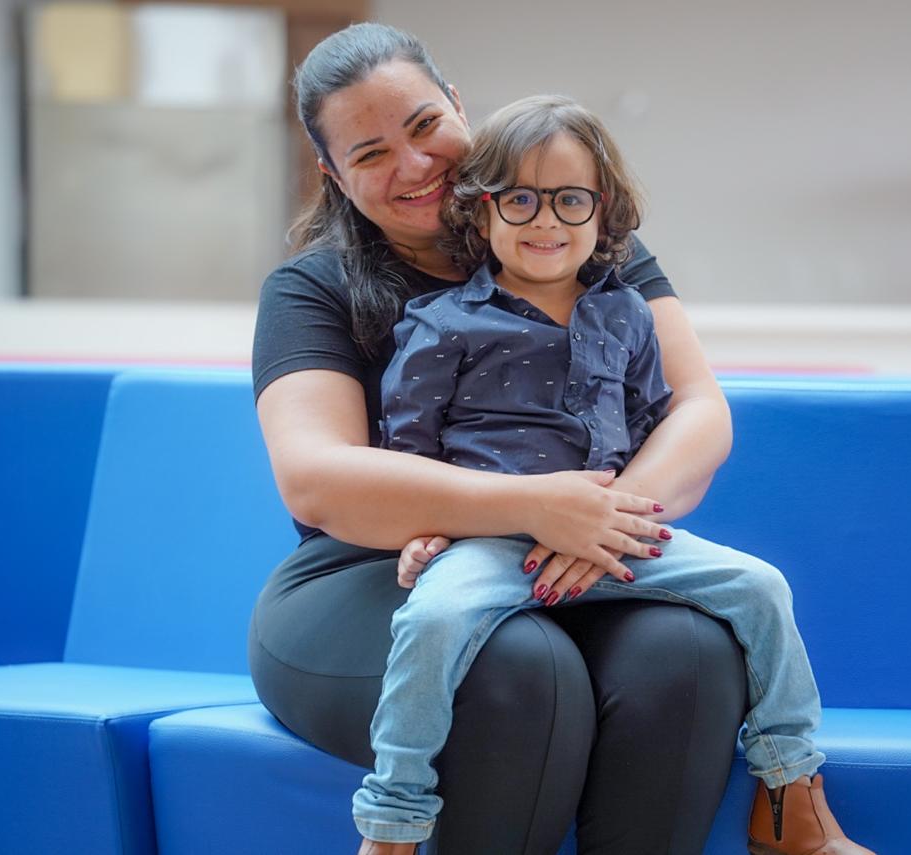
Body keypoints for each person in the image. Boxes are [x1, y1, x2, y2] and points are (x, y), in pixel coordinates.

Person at [250, 22, 749, 855]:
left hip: (574, 555)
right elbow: (316, 477)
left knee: (687, 654)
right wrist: (532, 506)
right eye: (371, 154)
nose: (415, 164)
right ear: (333, 174)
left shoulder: (583, 242)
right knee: (519, 668)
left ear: (457, 105)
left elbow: (699, 409)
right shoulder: (312, 287)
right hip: (371, 578)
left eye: (424, 125)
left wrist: (601, 520)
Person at [353, 95, 874, 855]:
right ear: (481, 210)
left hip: (611, 541)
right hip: (493, 542)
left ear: (603, 212)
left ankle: (790, 796)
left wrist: (617, 519)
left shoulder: (628, 315)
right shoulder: (442, 323)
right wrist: (429, 530)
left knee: (763, 587)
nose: (546, 220)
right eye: (520, 200)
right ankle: (393, 825)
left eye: (571, 200)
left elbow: (651, 424)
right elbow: (410, 448)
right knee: (430, 622)